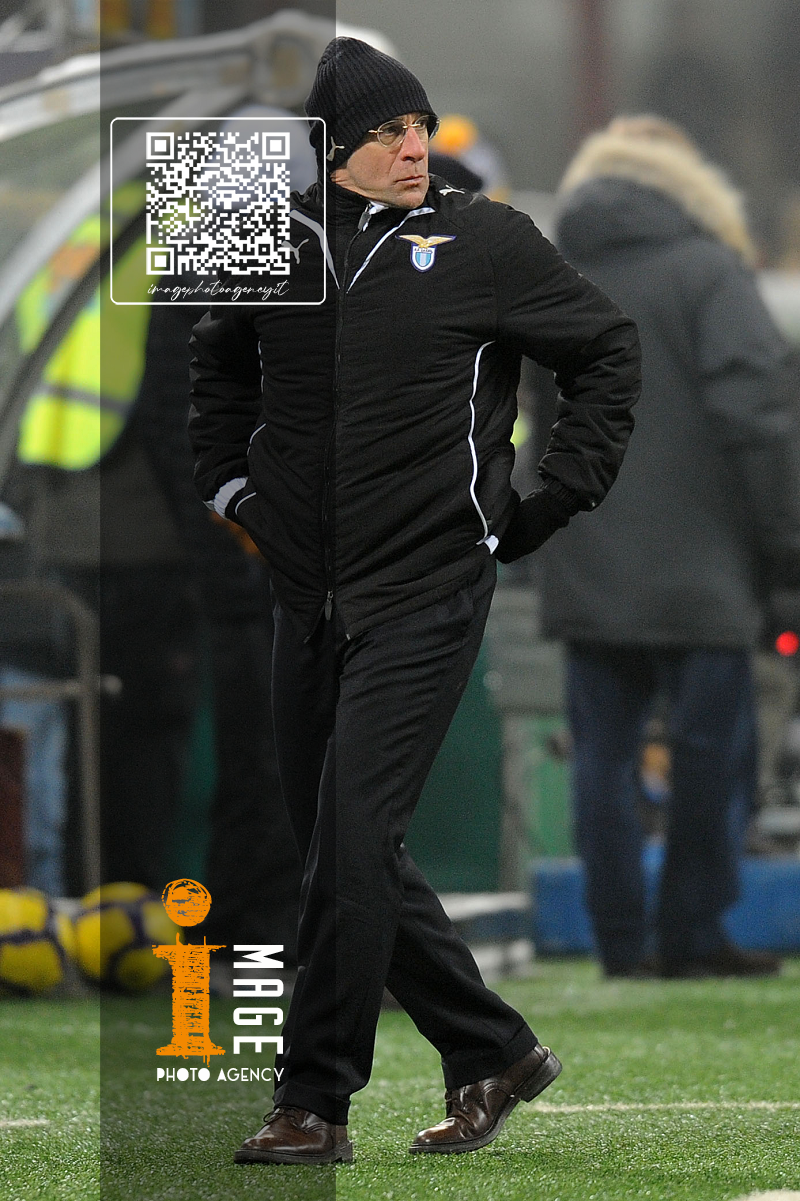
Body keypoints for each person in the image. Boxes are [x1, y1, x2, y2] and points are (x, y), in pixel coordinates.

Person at [189, 37, 640, 1165]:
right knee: (340, 847)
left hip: (429, 585)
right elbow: (214, 367)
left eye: (420, 127)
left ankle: (312, 1102)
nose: (413, 147)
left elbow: (606, 348)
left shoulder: (484, 238)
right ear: (335, 148)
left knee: (350, 837)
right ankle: (492, 1048)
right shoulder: (267, 237)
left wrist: (551, 498)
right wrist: (234, 489)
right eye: (388, 131)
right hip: (307, 590)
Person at [538, 115, 800, 979]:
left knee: (603, 758)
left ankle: (619, 940)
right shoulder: (709, 270)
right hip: (707, 564)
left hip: (586, 550)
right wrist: (785, 543)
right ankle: (693, 931)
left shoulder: (555, 272)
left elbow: (528, 416)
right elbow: (755, 418)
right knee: (710, 755)